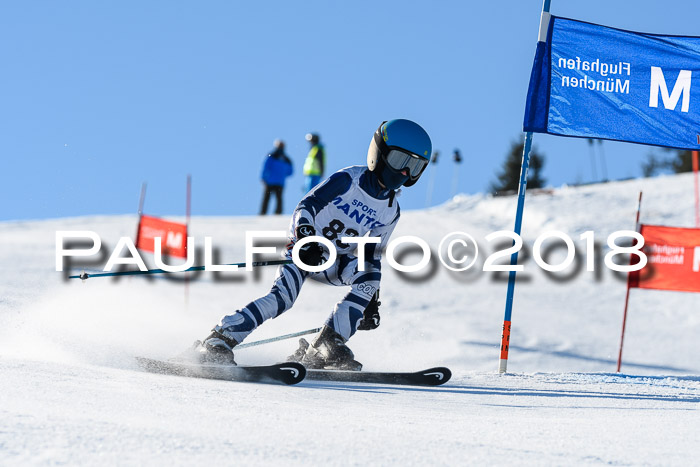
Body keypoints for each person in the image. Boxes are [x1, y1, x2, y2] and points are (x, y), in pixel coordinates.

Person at [194, 119, 432, 370]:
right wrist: (307, 239)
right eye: (399, 161)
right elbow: (306, 206)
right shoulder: (350, 180)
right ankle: (220, 337)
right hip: (304, 250)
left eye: (414, 166)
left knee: (371, 274)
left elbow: (370, 254)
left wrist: (369, 297)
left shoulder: (390, 210)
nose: (404, 172)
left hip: (334, 261)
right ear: (379, 154)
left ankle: (329, 342)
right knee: (283, 299)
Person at [260, 139, 293, 215]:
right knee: (278, 198)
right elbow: (290, 172)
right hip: (279, 182)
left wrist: (263, 178)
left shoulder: (271, 155)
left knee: (268, 198)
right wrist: (282, 174)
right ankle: (277, 213)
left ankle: (264, 213)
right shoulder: (286, 159)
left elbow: (266, 167)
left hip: (270, 181)